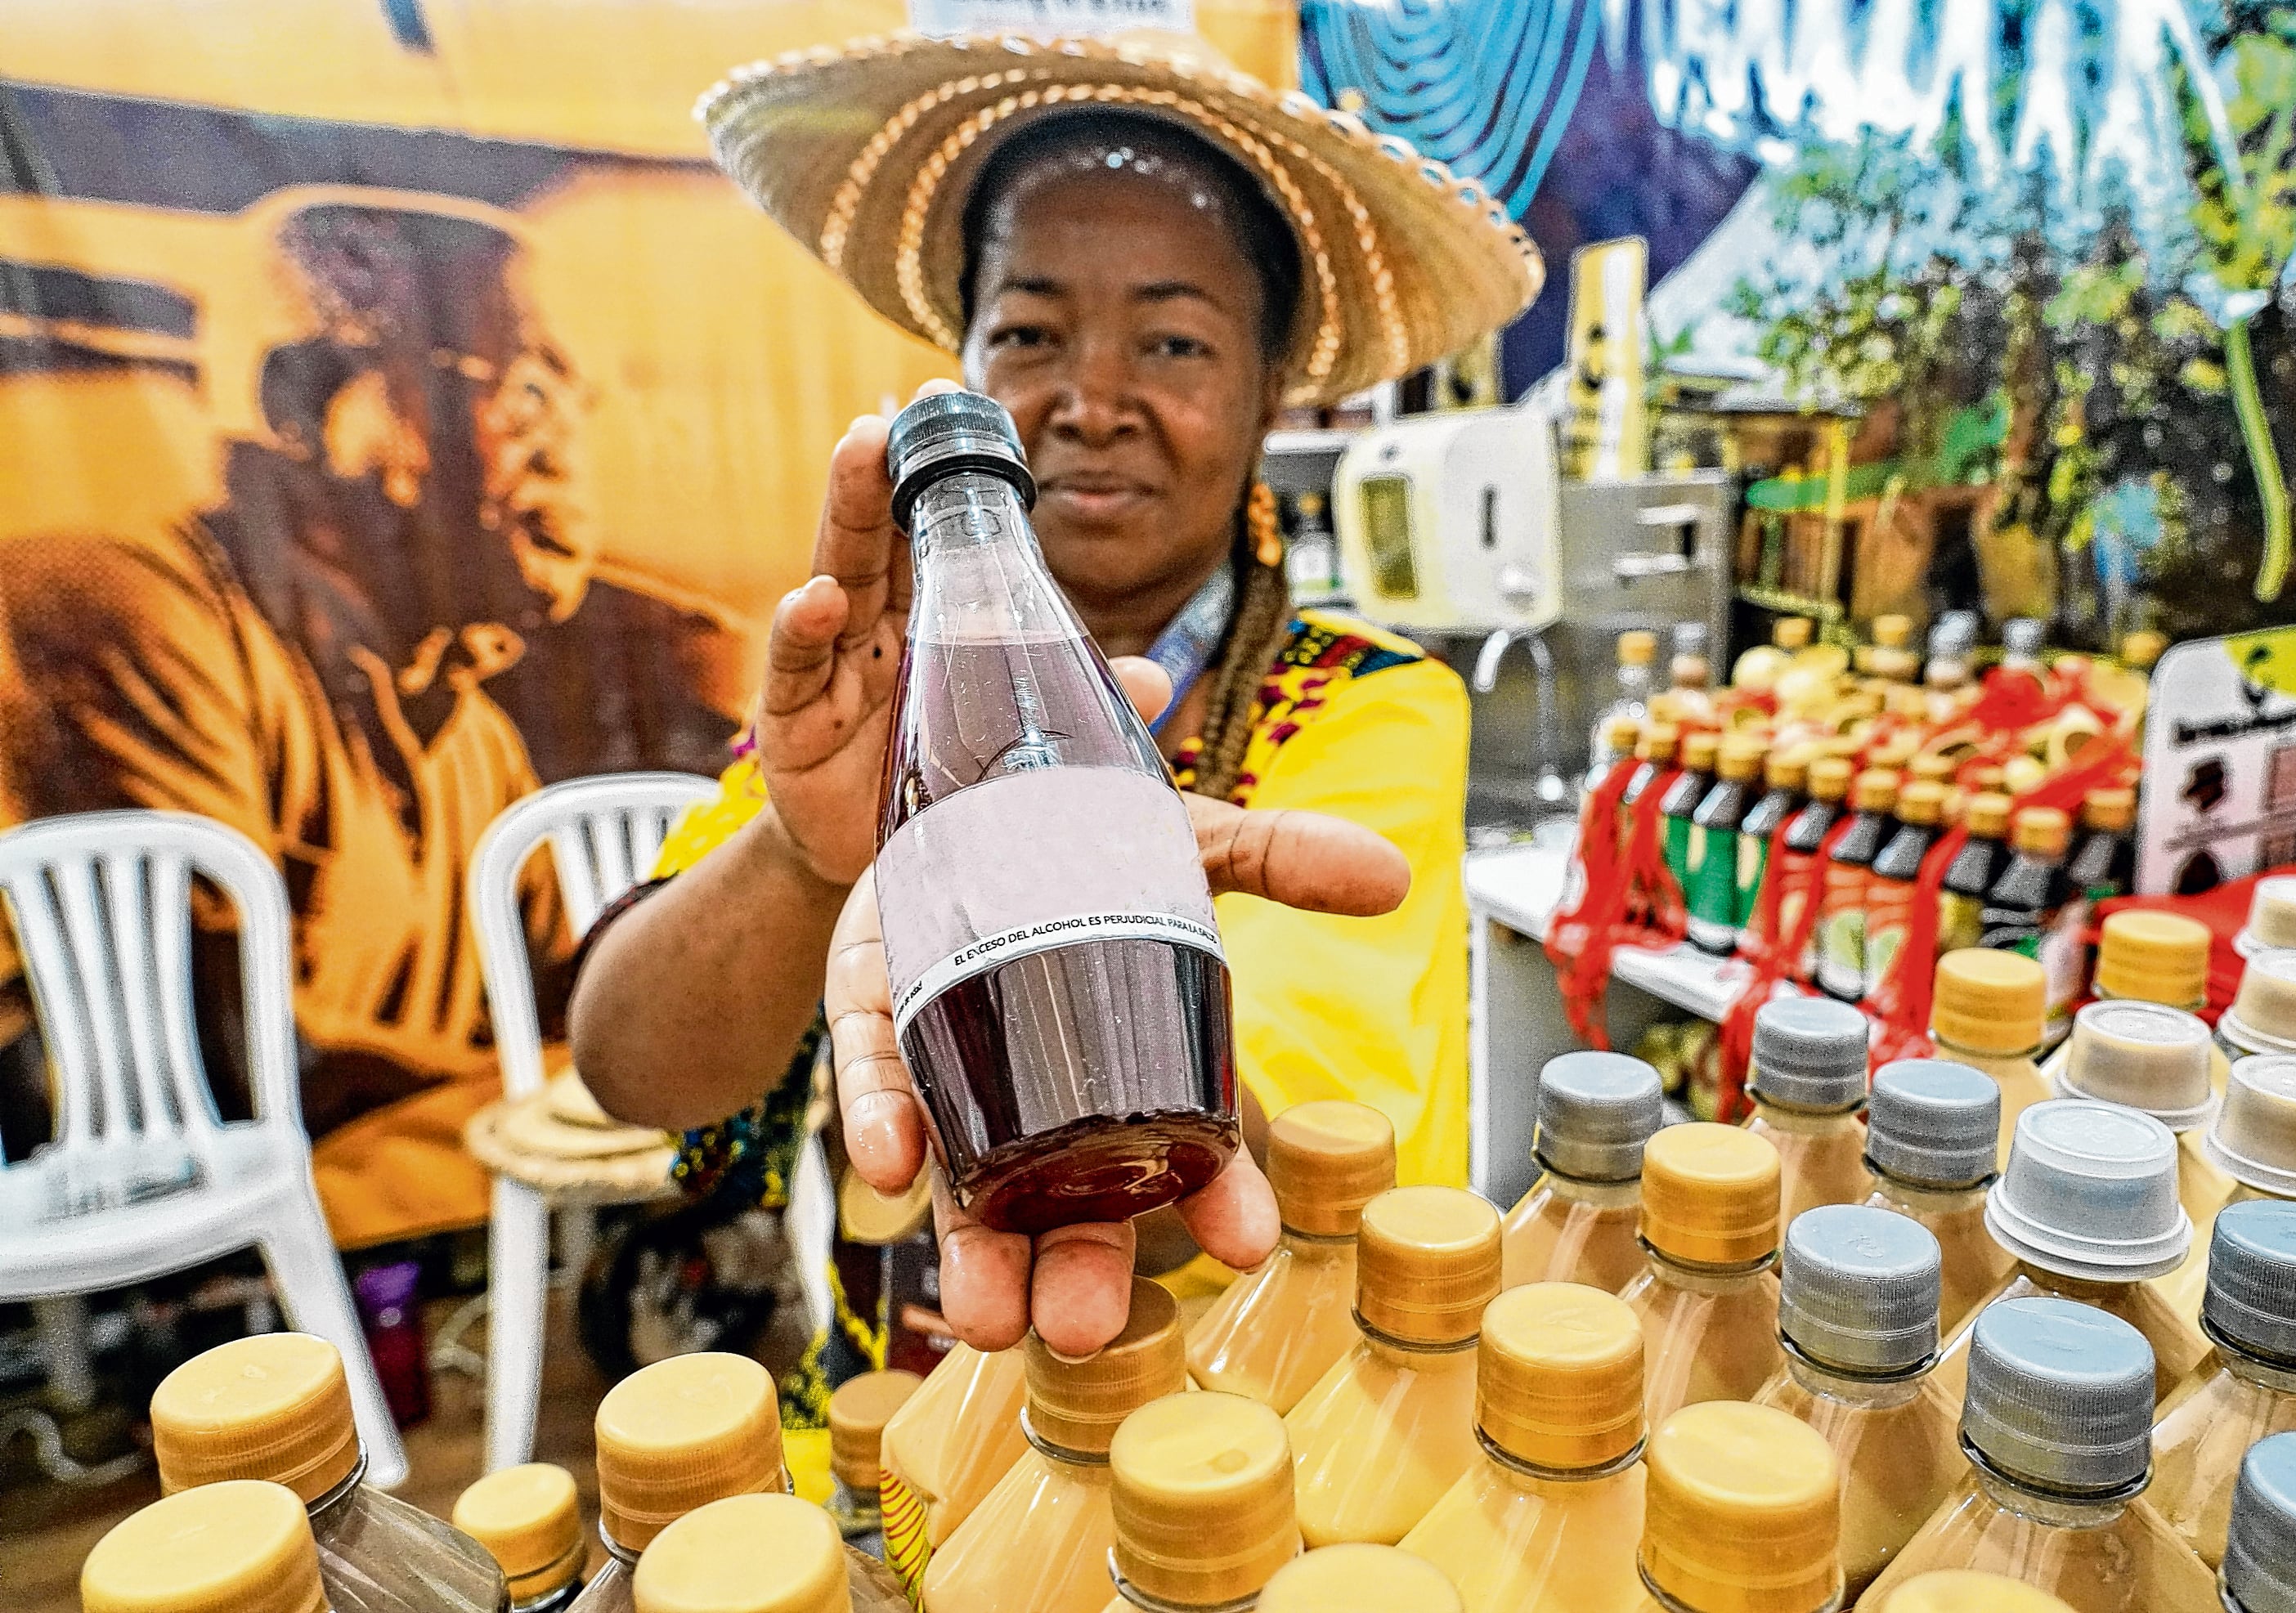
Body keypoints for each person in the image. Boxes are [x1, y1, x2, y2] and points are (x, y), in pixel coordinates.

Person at [570, 32, 1542, 1367]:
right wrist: (807, 858)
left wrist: (1079, 1003)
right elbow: (635, 1067)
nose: (1088, 401)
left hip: (1251, 1445)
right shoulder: (877, 699)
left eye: (1175, 339)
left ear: (1270, 398)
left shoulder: (1370, 707)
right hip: (911, 1430)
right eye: (1028, 331)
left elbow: (1291, 1138)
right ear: (961, 369)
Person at [0, 197, 739, 1247]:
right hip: (159, 1216)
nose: (564, 439)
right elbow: (237, 1055)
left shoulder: (468, 729)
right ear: (304, 409)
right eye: (520, 386)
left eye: (574, 397)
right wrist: (582, 1076)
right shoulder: (122, 612)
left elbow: (572, 1003)